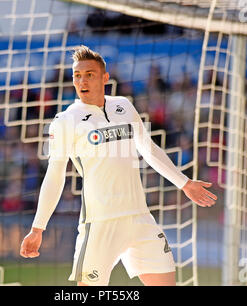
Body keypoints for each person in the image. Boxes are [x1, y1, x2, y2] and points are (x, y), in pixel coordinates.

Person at [20, 45, 217, 286]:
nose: (82, 80)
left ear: (104, 78)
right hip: (101, 224)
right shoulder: (65, 120)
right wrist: (38, 228)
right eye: (77, 75)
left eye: (89, 74)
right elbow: (55, 175)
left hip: (140, 218)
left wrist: (184, 183)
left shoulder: (123, 106)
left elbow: (148, 149)